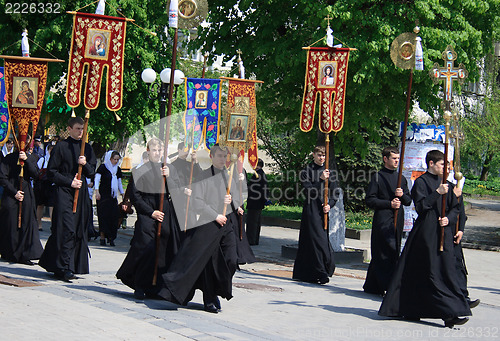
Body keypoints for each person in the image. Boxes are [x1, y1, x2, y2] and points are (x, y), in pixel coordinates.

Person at [379, 150, 472, 328]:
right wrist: (437, 192)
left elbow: (456, 208)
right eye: (441, 164)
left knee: (445, 272)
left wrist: (449, 219)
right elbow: (421, 207)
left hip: (443, 234)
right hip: (425, 235)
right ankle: (420, 310)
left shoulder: (448, 183)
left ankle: (451, 311)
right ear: (431, 164)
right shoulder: (421, 182)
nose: (445, 168)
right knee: (428, 273)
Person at [158, 144, 241, 313]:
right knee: (210, 263)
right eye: (219, 156)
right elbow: (196, 201)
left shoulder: (229, 175)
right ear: (211, 156)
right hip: (209, 225)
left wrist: (232, 199)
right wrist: (214, 214)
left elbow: (237, 201)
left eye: (224, 156)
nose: (222, 159)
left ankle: (217, 290)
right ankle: (209, 299)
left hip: (227, 225)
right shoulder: (203, 176)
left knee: (231, 259)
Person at [116, 138, 181, 299]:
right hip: (147, 214)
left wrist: (169, 177)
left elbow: (177, 191)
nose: (157, 153)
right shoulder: (139, 171)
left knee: (163, 250)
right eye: (154, 150)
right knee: (146, 248)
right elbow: (136, 197)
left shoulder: (168, 169)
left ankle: (156, 287)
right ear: (148, 151)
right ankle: (139, 284)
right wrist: (151, 212)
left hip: (164, 212)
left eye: (160, 150)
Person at [38, 117, 97, 282]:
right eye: (77, 129)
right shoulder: (61, 147)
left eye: (82, 129)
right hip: (64, 192)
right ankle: (64, 266)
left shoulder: (87, 148)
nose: (80, 132)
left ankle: (61, 264)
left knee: (77, 229)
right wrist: (69, 181)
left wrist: (84, 164)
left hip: (81, 193)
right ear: (69, 129)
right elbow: (52, 172)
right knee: (66, 229)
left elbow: (92, 172)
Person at [363, 146, 411, 296]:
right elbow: (370, 200)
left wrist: (402, 195)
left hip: (398, 219)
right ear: (385, 159)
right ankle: (388, 285)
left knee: (393, 249)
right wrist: (389, 203)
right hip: (383, 218)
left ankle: (372, 285)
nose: (397, 161)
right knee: (384, 250)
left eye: (398, 158)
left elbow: (408, 201)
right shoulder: (378, 177)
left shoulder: (401, 179)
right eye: (394, 158)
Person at [293, 145, 338, 284]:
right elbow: (308, 190)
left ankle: (316, 271)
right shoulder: (307, 170)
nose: (321, 158)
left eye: (324, 156)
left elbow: (335, 192)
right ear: (313, 155)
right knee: (315, 240)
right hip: (311, 209)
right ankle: (320, 272)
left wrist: (330, 204)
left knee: (321, 240)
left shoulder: (329, 172)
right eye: (319, 155)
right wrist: (320, 179)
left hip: (323, 211)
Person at [0, 136, 43, 265]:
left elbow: (36, 175)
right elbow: (2, 177)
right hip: (11, 192)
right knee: (10, 222)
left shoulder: (32, 158)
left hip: (26, 193)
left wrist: (27, 161)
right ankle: (9, 252)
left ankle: (24, 253)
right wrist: (14, 192)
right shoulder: (8, 158)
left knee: (26, 222)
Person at [449, 178, 480, 309]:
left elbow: (461, 212)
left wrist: (461, 229)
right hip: (439, 233)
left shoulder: (453, 188)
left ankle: (463, 296)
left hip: (454, 234)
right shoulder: (430, 184)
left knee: (458, 266)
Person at [95, 150, 125, 246]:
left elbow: (119, 182)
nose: (116, 161)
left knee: (113, 217)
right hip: (103, 196)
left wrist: (122, 193)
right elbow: (97, 179)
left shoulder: (117, 170)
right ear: (109, 158)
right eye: (114, 159)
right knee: (103, 217)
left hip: (113, 197)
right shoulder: (103, 168)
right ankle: (102, 237)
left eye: (117, 159)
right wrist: (97, 191)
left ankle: (111, 237)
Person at [170, 142, 202, 231]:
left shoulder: (190, 164)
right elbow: (171, 183)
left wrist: (195, 161)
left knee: (191, 223)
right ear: (179, 150)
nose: (187, 152)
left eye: (188, 150)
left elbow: (200, 175)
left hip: (189, 198)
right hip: (178, 197)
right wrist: (182, 190)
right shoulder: (173, 165)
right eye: (184, 149)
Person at [246, 158, 269, 245]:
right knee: (256, 222)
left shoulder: (257, 175)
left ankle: (251, 240)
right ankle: (255, 239)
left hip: (254, 202)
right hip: (258, 202)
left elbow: (255, 188)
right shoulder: (262, 174)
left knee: (252, 222)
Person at [35, 144, 55, 231]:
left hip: (52, 185)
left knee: (52, 205)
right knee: (40, 205)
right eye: (50, 150)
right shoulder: (43, 160)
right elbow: (36, 170)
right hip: (42, 185)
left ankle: (53, 224)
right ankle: (39, 224)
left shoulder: (56, 160)